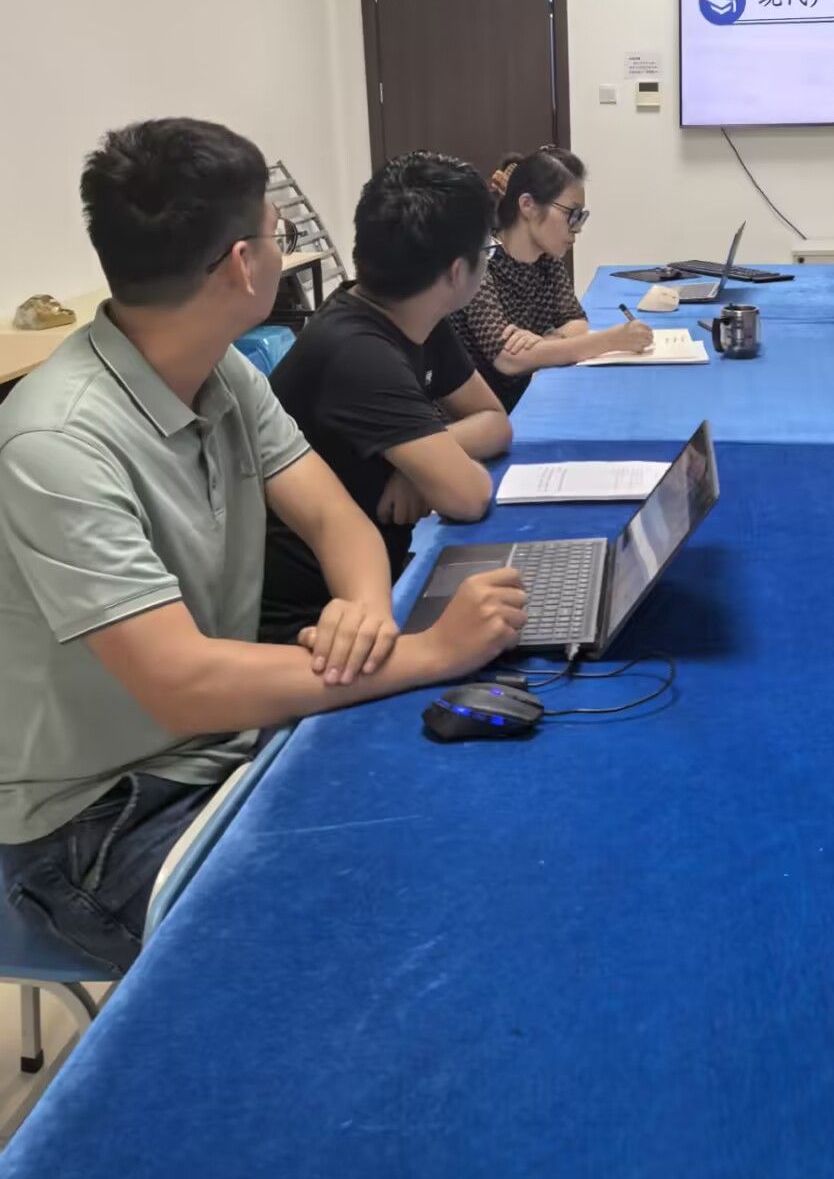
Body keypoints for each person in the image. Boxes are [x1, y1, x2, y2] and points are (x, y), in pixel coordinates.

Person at [0, 121, 526, 976]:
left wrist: (363, 614)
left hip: (223, 742)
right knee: (383, 934)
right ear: (244, 264)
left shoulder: (220, 372)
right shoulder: (56, 444)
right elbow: (183, 685)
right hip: (96, 824)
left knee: (447, 827)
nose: (286, 253)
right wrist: (431, 651)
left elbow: (336, 519)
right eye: (280, 234)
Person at [260, 152, 514, 647]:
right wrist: (434, 464)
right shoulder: (356, 351)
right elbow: (468, 496)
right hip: (321, 627)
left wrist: (419, 461)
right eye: (488, 250)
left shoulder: (415, 314)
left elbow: (494, 421)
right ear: (457, 271)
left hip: (374, 589)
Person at [452, 147, 654, 411]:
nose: (577, 229)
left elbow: (577, 322)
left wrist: (544, 342)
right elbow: (508, 359)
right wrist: (611, 341)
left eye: (581, 217)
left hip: (524, 399)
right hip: (481, 414)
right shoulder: (481, 261)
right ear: (527, 205)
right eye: (571, 214)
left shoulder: (547, 259)